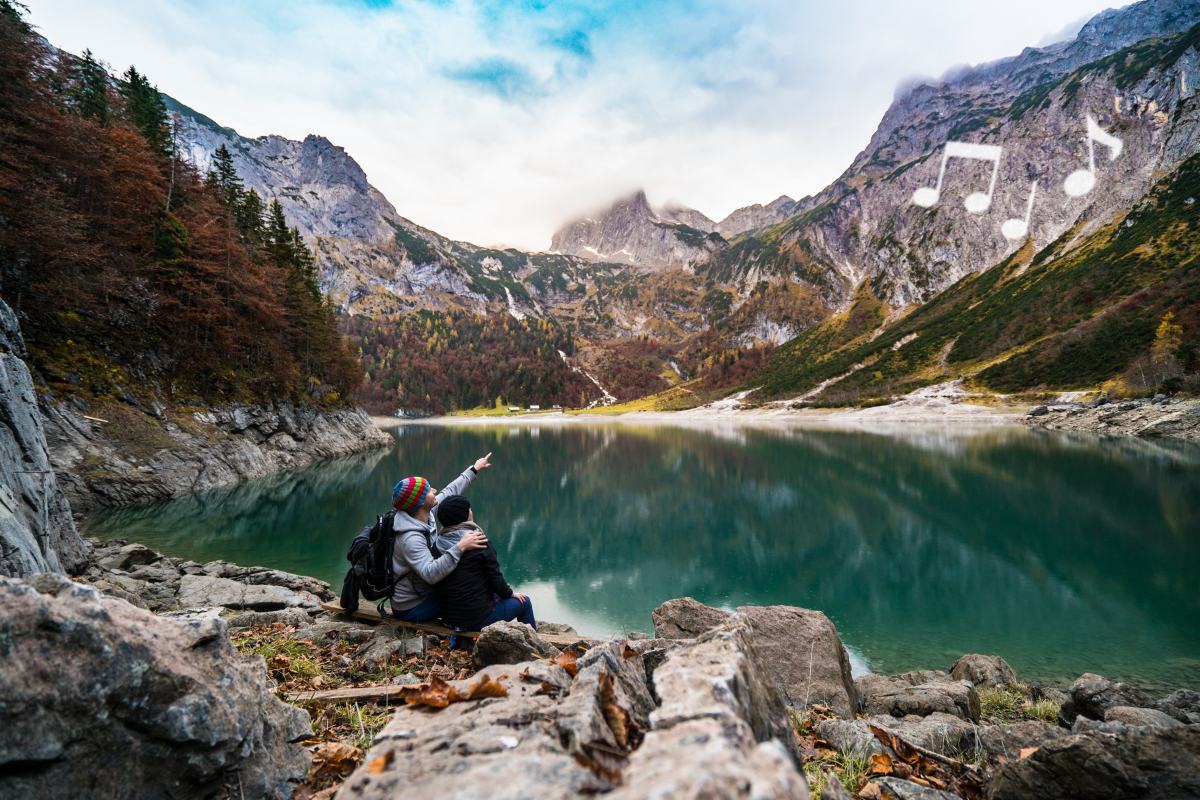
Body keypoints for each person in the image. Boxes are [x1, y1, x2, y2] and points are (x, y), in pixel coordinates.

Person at [389, 452, 493, 622]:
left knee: (471, 588)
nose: (435, 491)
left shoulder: (424, 513)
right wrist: (460, 546)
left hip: (423, 591)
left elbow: (450, 490)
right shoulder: (410, 538)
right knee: (470, 597)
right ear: (421, 501)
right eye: (429, 490)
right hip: (412, 606)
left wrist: (474, 469)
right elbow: (430, 573)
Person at [433, 494, 535, 631]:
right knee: (524, 602)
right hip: (476, 620)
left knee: (496, 593)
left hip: (449, 618)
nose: (471, 511)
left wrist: (505, 592)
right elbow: (495, 577)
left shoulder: (438, 543)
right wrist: (510, 594)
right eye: (469, 509)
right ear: (465, 515)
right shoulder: (479, 542)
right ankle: (535, 646)